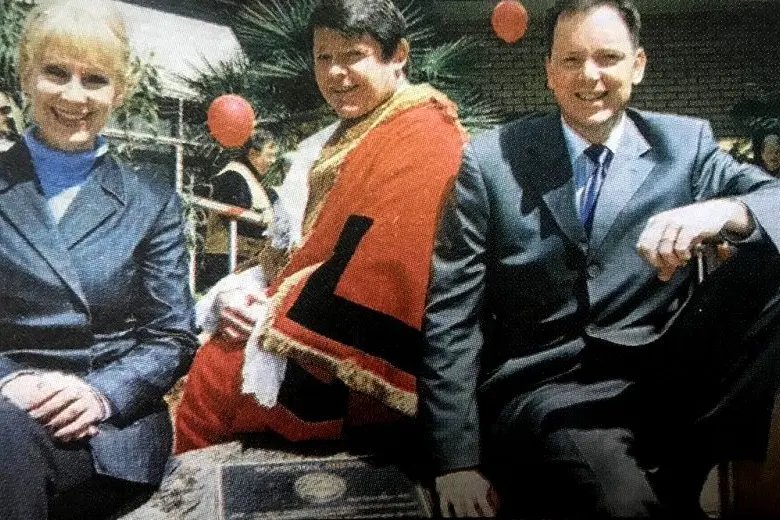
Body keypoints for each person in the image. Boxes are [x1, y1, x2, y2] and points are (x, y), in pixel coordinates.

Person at [420, 0, 780, 517]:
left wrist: (725, 211)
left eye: (608, 58)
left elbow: (773, 200)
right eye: (571, 60)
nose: (589, 76)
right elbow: (453, 315)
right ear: (549, 72)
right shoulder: (491, 161)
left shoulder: (685, 144)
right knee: (624, 504)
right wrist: (455, 461)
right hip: (553, 393)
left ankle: (706, 462)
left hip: (670, 379)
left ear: (638, 64)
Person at [174, 0, 466, 454]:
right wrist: (239, 294)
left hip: (366, 349)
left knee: (220, 373)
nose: (334, 73)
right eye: (323, 57)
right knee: (216, 356)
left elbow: (385, 261)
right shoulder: (348, 130)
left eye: (353, 56)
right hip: (312, 307)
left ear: (399, 55)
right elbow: (298, 248)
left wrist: (270, 316)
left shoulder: (426, 130)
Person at [0, 1, 197, 518]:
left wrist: (100, 393)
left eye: (94, 79)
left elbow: (172, 336)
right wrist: (10, 381)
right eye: (56, 73)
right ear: (26, 75)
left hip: (108, 429)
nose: (73, 95)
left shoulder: (152, 202)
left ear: (119, 91)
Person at [198, 128, 278, 291]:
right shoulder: (232, 176)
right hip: (227, 258)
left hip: (244, 258)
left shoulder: (252, 180)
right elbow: (238, 219)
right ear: (253, 154)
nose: (273, 161)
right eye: (269, 155)